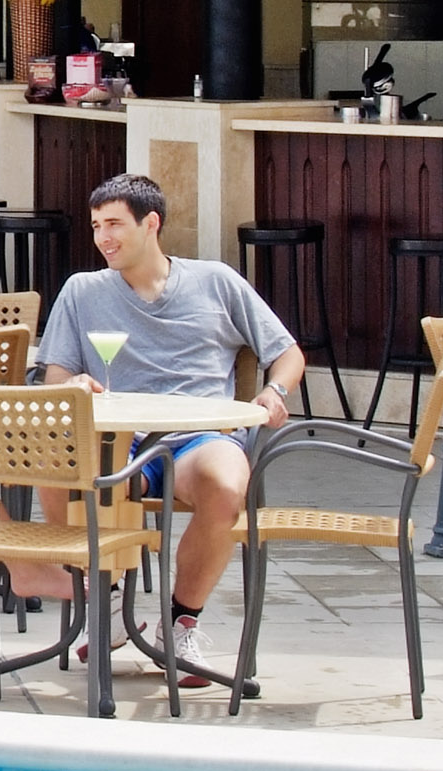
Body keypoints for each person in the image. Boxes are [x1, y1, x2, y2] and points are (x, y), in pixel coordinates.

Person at [37, 173, 303, 686]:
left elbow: (286, 353)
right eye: (96, 226)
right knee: (58, 461)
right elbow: (55, 378)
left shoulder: (216, 281)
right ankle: (107, 601)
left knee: (228, 484)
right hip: (121, 437)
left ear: (151, 223)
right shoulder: (83, 290)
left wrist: (277, 392)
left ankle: (180, 622)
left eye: (114, 224)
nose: (103, 238)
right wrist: (77, 382)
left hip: (199, 437)